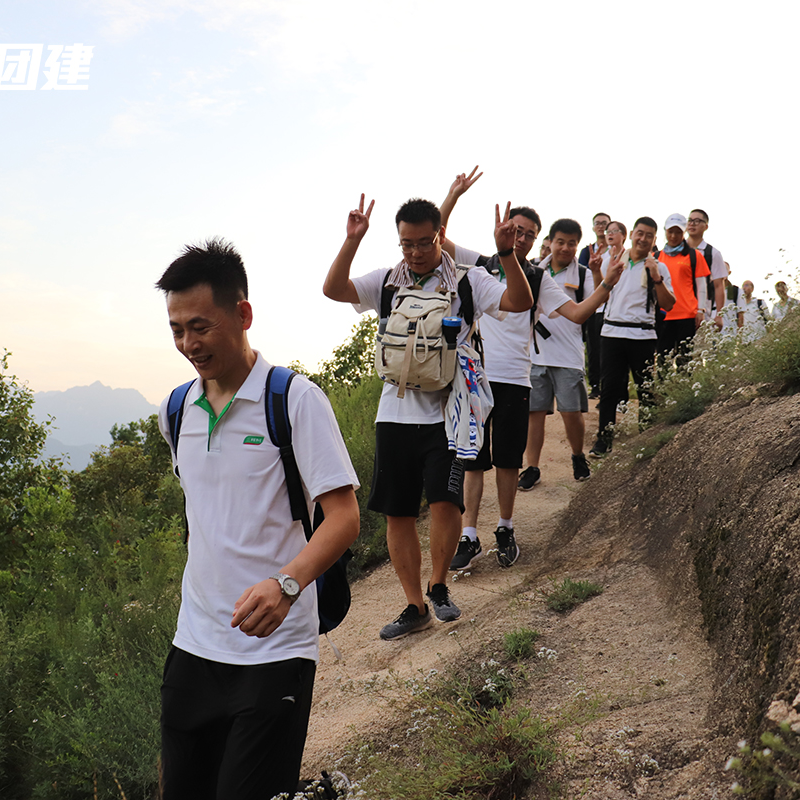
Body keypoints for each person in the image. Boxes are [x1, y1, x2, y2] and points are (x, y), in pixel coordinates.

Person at [156, 239, 361, 800]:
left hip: (275, 652)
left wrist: (287, 584)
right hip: (194, 644)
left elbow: (343, 518)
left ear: (242, 314)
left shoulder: (294, 400)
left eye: (200, 326)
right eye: (176, 329)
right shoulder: (176, 410)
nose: (188, 344)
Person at [323, 193, 532, 639]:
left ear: (440, 235)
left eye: (423, 242)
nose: (415, 253)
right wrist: (352, 240)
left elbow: (518, 302)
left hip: (450, 414)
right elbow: (334, 289)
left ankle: (439, 587)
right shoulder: (386, 281)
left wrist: (507, 255)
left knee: (444, 500)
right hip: (394, 414)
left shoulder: (470, 280)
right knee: (397, 513)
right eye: (406, 244)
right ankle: (414, 604)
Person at [439, 173, 622, 571]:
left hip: (516, 378)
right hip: (475, 378)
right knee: (473, 460)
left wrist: (606, 283)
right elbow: (436, 237)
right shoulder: (480, 265)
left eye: (528, 235)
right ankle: (469, 535)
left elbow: (576, 314)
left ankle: (505, 528)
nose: (520, 239)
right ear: (503, 230)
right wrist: (453, 195)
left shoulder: (538, 279)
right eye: (515, 231)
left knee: (507, 460)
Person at [520, 217, 603, 491]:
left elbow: (597, 303)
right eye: (560, 242)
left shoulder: (583, 274)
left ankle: (577, 456)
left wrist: (600, 274)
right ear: (550, 243)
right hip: (536, 355)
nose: (565, 248)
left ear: (577, 245)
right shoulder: (533, 271)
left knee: (571, 412)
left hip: (568, 356)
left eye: (571, 243)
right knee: (534, 414)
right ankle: (532, 466)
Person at [590, 217, 674, 458]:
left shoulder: (659, 267)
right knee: (609, 391)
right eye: (640, 233)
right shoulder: (614, 260)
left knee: (646, 390)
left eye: (649, 235)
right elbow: (602, 294)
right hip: (612, 333)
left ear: (654, 239)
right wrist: (598, 272)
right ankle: (603, 440)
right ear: (633, 234)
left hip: (643, 336)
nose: (643, 238)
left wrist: (656, 276)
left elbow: (668, 303)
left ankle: (648, 439)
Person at [656, 212, 709, 365]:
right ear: (665, 232)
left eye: (678, 232)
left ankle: (685, 388)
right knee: (662, 361)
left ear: (684, 232)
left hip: (686, 314)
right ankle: (664, 389)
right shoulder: (656, 257)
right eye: (670, 231)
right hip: (663, 315)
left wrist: (701, 310)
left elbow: (701, 285)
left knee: (685, 362)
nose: (673, 236)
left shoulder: (694, 255)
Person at [579, 212, 612, 398]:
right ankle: (595, 386)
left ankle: (607, 386)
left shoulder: (617, 251)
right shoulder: (586, 251)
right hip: (593, 306)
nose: (600, 226)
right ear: (593, 227)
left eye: (604, 223)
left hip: (611, 307)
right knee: (593, 348)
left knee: (607, 349)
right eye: (597, 223)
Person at [685, 209, 728, 330]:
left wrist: (719, 315)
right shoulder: (676, 250)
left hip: (702, 314)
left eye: (697, 221)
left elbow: (719, 286)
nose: (692, 224)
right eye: (690, 220)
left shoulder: (712, 254)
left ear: (706, 226)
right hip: (676, 312)